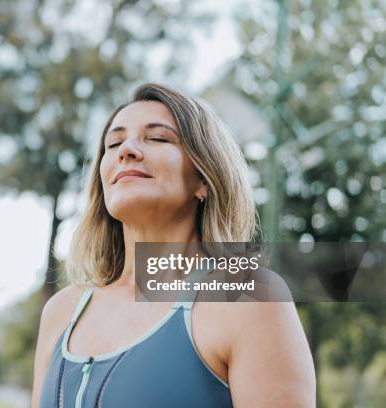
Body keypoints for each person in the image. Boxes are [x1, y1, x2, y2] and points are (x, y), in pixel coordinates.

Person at [31, 83, 316, 407]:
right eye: (114, 142)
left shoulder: (248, 297)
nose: (127, 150)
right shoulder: (62, 311)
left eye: (158, 138)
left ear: (204, 179)